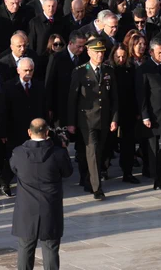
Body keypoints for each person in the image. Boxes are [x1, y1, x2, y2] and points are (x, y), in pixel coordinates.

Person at [10, 118, 73, 270]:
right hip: (50, 207)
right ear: (47, 133)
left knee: (25, 248)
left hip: (26, 208)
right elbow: (68, 172)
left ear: (29, 132)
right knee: (50, 248)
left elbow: (14, 169)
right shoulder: (58, 153)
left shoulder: (18, 153)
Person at [67, 38, 118, 200]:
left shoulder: (109, 70)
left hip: (104, 118)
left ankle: (89, 180)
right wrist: (71, 122)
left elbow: (114, 98)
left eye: (102, 52)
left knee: (99, 152)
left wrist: (114, 118)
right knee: (92, 151)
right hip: (87, 119)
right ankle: (97, 188)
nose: (100, 55)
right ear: (89, 52)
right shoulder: (80, 71)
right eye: (96, 52)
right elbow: (72, 99)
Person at [0, 58, 47, 198]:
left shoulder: (38, 86)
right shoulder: (8, 87)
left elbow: (43, 108)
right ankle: (5, 182)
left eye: (31, 70)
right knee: (13, 157)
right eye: (25, 70)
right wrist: (3, 132)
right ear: (18, 70)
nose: (28, 73)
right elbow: (2, 111)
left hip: (34, 130)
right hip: (14, 129)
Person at [135, 38, 161, 190]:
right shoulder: (144, 69)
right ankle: (157, 178)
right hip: (153, 115)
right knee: (153, 146)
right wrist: (145, 115)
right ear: (151, 52)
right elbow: (142, 95)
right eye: (159, 52)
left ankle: (154, 166)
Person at [109, 44, 140, 184]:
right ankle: (103, 169)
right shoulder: (108, 69)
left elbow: (135, 90)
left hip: (128, 110)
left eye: (123, 56)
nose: (121, 59)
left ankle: (127, 172)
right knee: (108, 142)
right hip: (111, 111)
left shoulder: (131, 68)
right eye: (118, 56)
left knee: (128, 143)